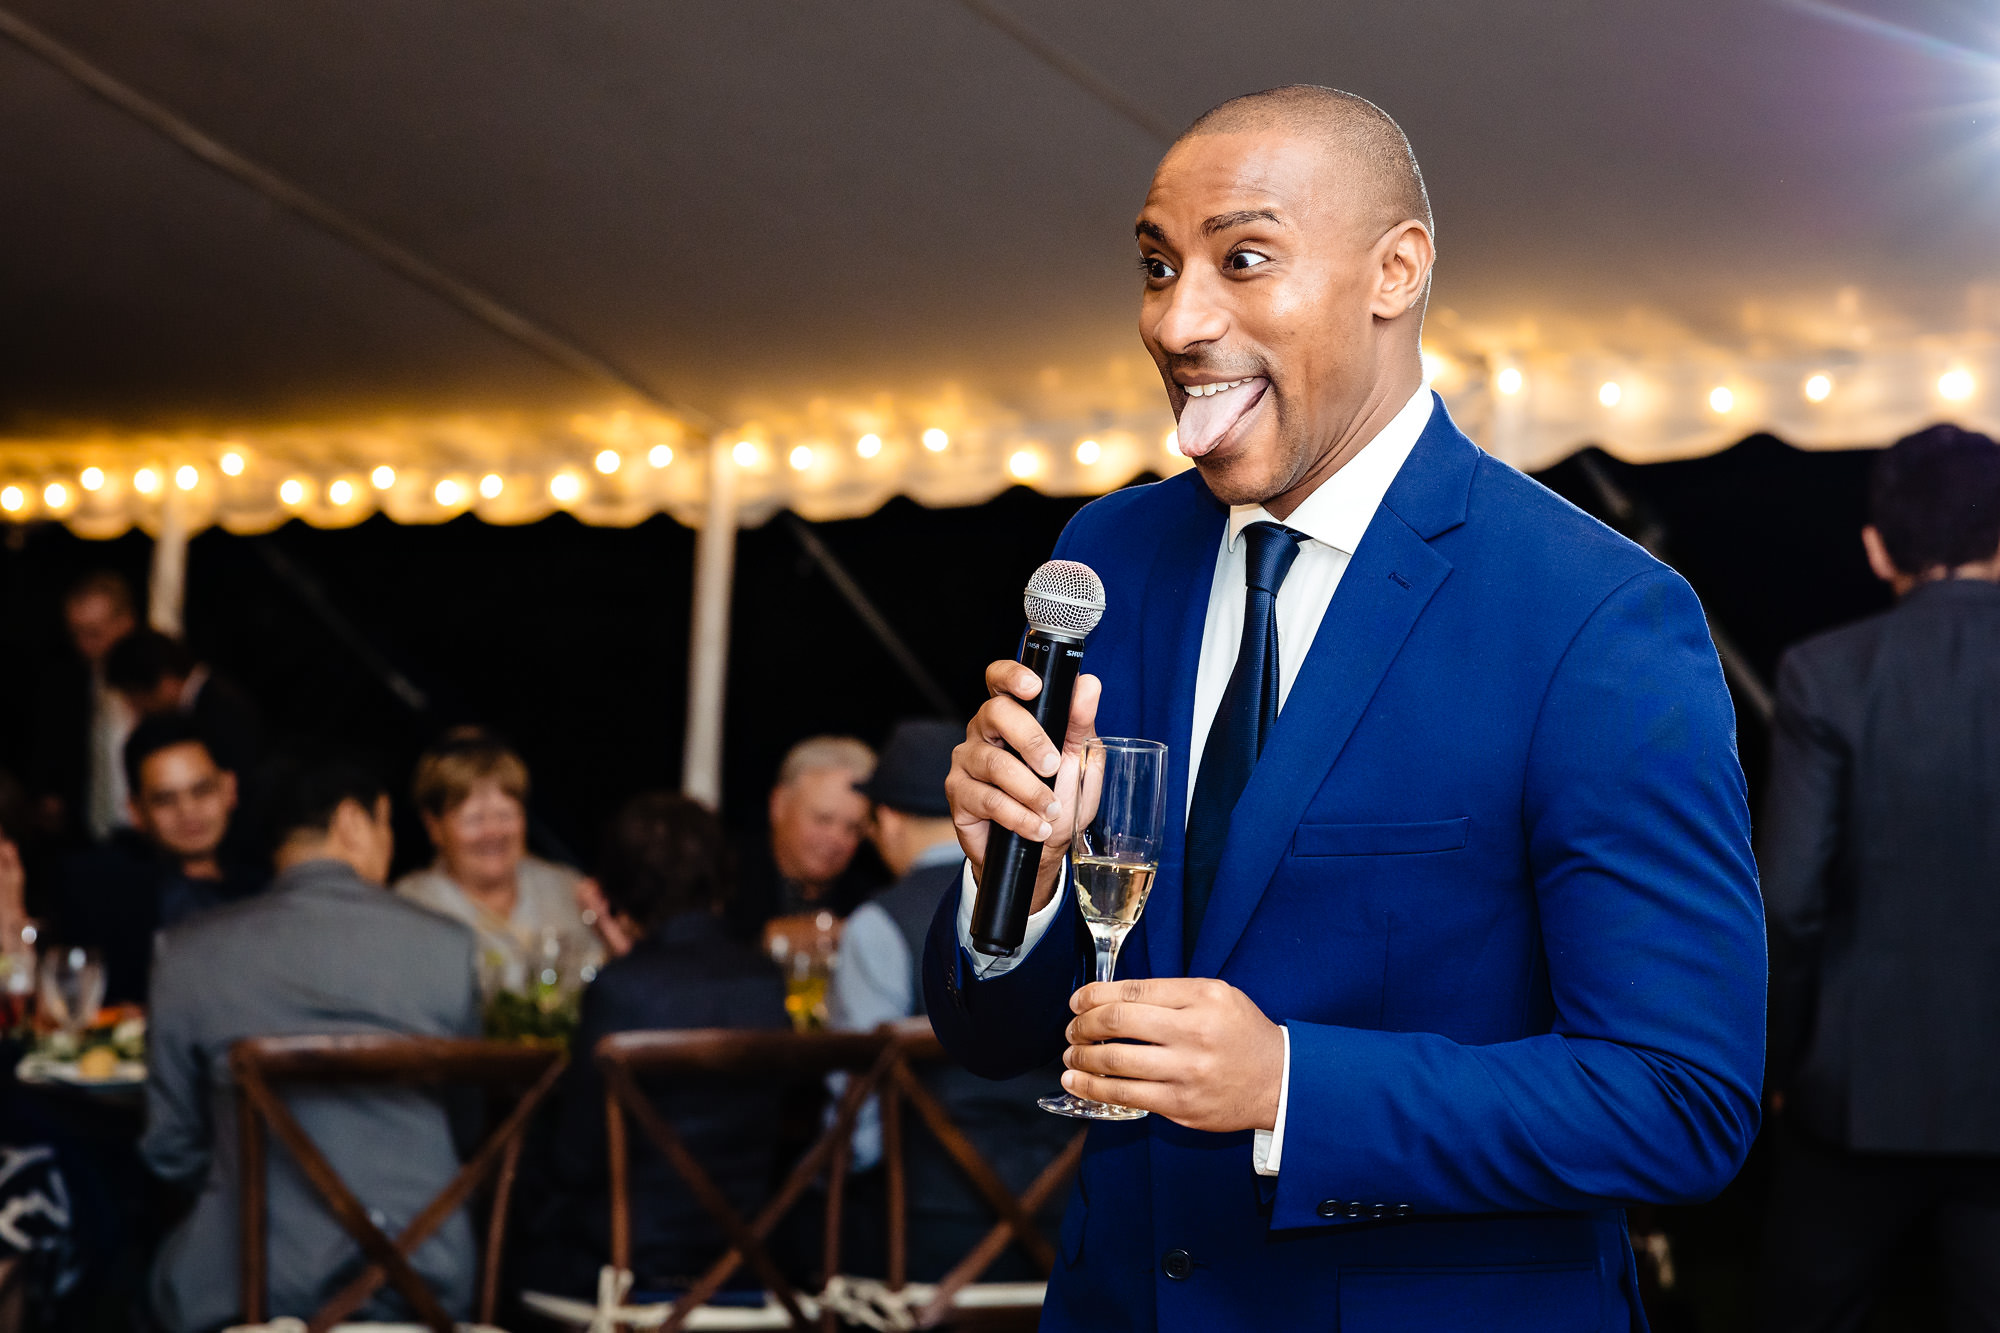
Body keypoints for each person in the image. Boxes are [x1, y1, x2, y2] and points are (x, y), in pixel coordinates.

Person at [924, 86, 1764, 1330]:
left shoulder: (1590, 614)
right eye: (1156, 268)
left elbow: (1677, 1099)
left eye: (1241, 259)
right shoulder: (1108, 554)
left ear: (1395, 272)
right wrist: (1025, 889)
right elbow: (995, 1034)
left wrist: (1290, 1085)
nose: (1177, 318)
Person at [1758, 425, 2000, 1331]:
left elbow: (1787, 900)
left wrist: (1775, 1066)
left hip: (1853, 1095)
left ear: (1877, 546)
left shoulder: (1827, 674)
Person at [142, 756, 482, 1332]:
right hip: (425, 1281)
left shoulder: (189, 952)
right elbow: (468, 1128)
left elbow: (170, 1148)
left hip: (249, 1286)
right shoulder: (448, 947)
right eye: (386, 826)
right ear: (353, 821)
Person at [828, 719, 1072, 1280]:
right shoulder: (1058, 907)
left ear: (885, 819)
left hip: (925, 1238)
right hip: (1057, 1231)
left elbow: (857, 1130)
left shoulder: (877, 923)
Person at [522, 792, 789, 1297]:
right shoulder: (764, 980)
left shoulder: (621, 988)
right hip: (743, 1264)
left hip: (626, 1267)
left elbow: (576, 1158)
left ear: (621, 885)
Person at [394, 728, 619, 999]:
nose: (494, 833)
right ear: (434, 826)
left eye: (505, 814)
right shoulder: (412, 906)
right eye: (474, 819)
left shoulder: (566, 888)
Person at [53, 715, 263, 1002]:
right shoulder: (103, 891)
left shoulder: (271, 883)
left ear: (229, 788)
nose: (188, 812)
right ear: (135, 811)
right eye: (165, 799)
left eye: (201, 791)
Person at [729, 735, 881, 948]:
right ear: (779, 805)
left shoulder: (871, 898)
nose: (837, 839)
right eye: (823, 819)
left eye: (853, 827)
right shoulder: (725, 879)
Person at [29, 571, 138, 843]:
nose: (84, 645)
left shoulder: (153, 680)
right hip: (88, 834)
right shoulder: (65, 682)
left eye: (93, 633)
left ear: (127, 623)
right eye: (75, 634)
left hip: (150, 833)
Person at [104, 628, 262, 782]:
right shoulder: (209, 698)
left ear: (164, 682)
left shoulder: (219, 708)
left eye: (135, 696)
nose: (136, 708)